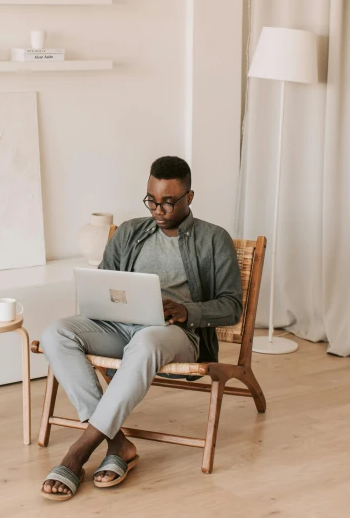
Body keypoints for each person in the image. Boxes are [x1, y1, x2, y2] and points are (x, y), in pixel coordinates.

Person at [40, 156, 242, 501]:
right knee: (55, 332)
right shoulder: (131, 232)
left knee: (147, 339)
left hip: (176, 335)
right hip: (120, 329)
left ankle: (79, 450)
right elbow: (104, 283)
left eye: (168, 201)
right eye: (151, 199)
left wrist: (185, 310)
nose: (158, 209)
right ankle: (119, 444)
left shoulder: (214, 239)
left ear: (189, 197)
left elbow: (232, 306)